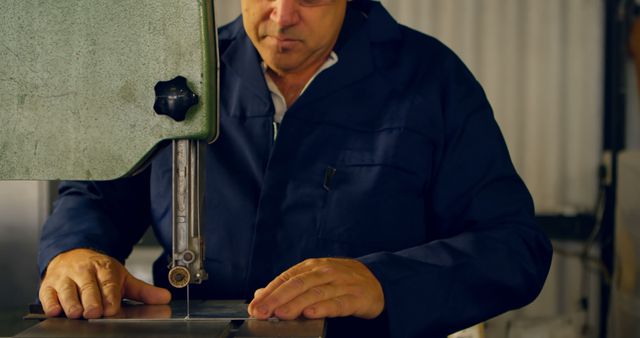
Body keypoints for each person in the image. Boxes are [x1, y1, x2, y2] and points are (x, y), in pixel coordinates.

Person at [37, 0, 552, 337]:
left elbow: (513, 247)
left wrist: (386, 284)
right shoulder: (180, 76)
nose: (282, 17)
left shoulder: (432, 81)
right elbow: (96, 196)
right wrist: (74, 253)